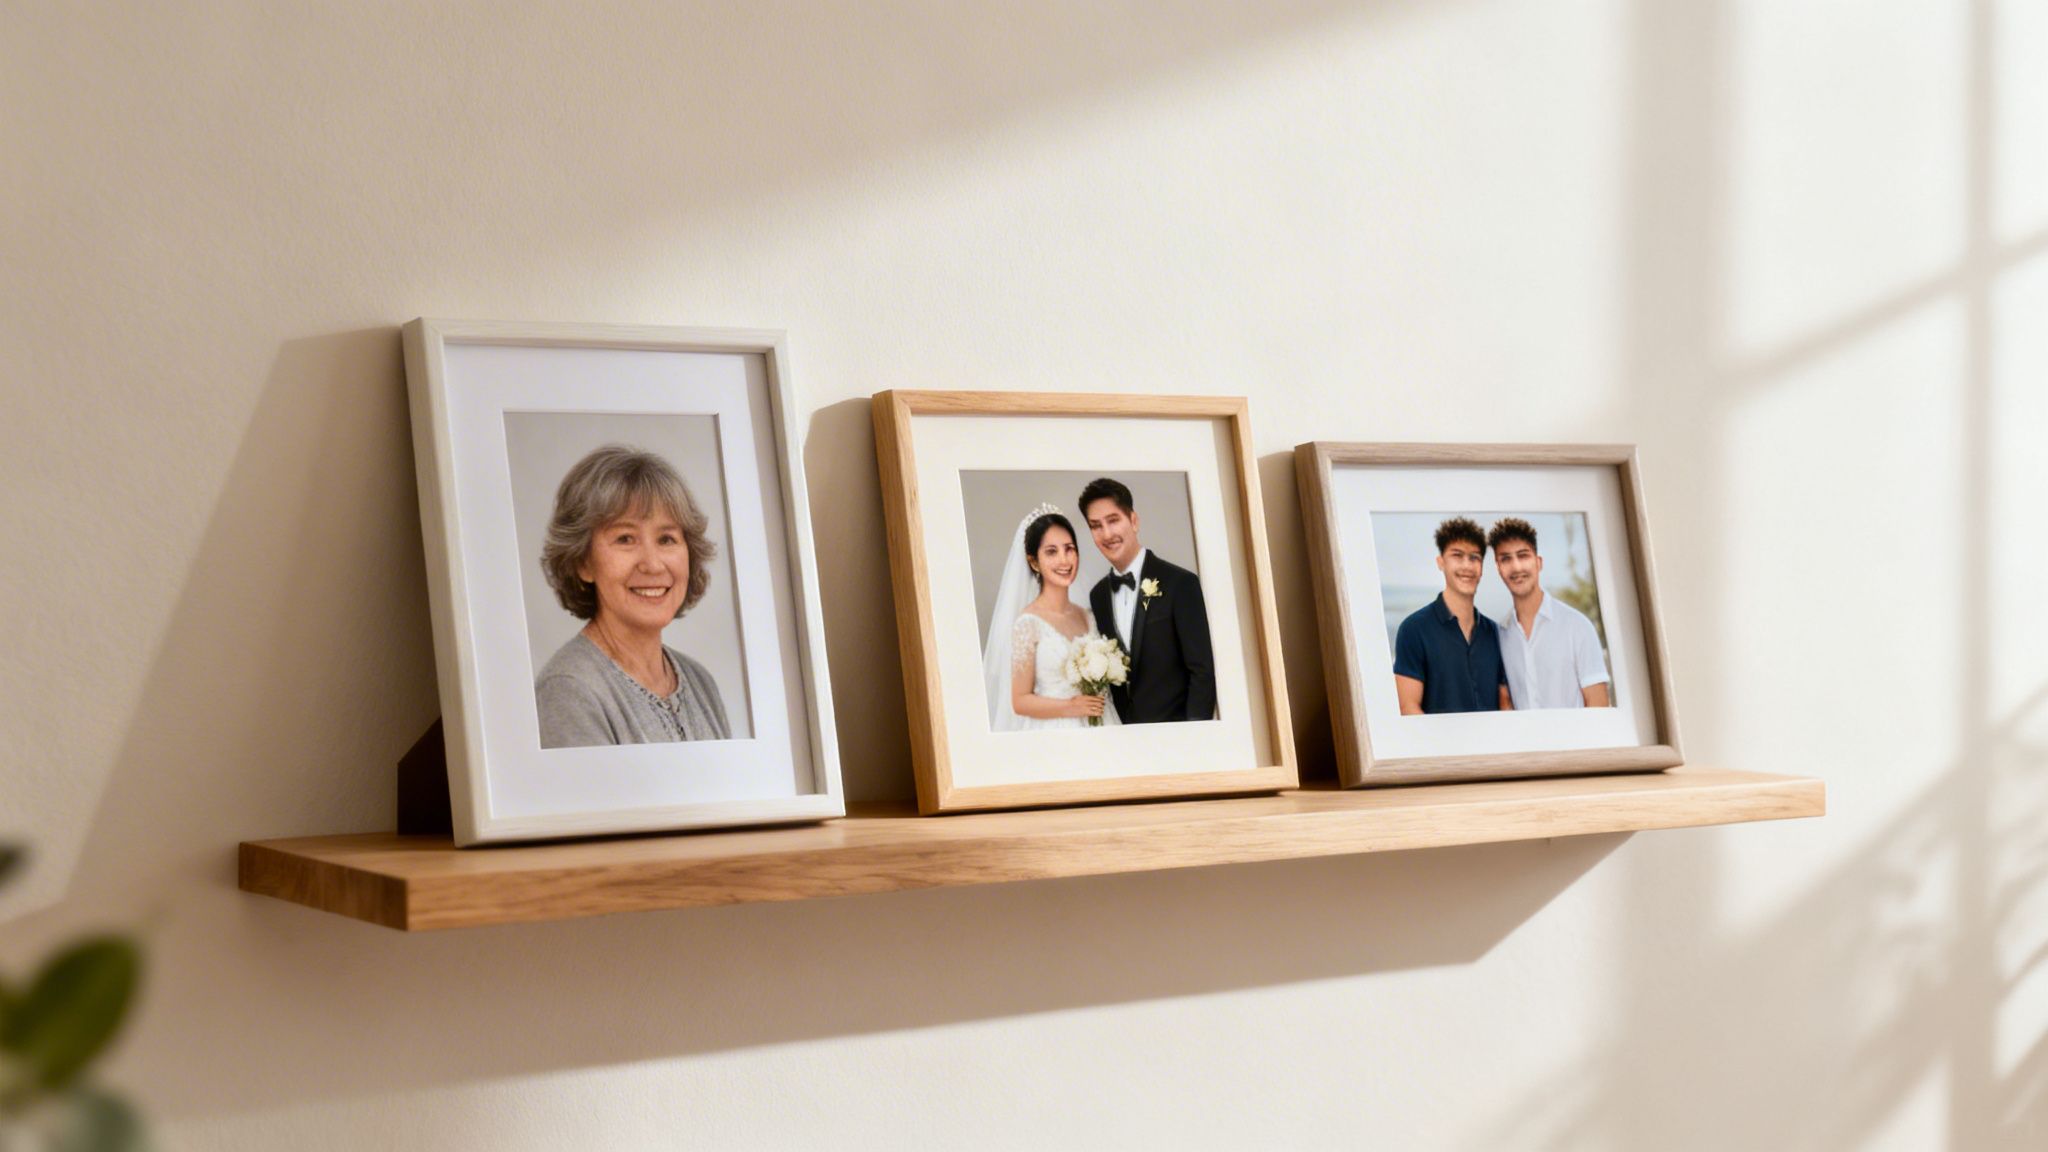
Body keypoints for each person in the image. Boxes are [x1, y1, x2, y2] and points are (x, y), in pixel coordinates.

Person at [533, 444, 731, 748]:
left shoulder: (700, 682)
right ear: (583, 562)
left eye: (667, 539)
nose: (652, 564)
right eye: (625, 539)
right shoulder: (569, 691)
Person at [1079, 477, 1216, 724]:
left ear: (1133, 520)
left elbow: (1202, 672)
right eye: (1096, 526)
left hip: (1178, 736)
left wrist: (1196, 738)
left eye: (1113, 520)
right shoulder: (1097, 596)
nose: (1106, 534)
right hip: (1127, 740)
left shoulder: (1180, 583)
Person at [980, 505, 1120, 730]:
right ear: (1034, 562)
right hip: (1057, 730)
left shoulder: (1087, 616)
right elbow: (1020, 701)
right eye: (1051, 552)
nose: (1064, 561)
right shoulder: (1028, 624)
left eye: (1069, 549)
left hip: (1104, 724)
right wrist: (1072, 706)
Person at [1487, 517, 1611, 709]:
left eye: (1523, 556)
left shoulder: (1577, 627)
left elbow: (1599, 706)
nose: (1516, 567)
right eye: (1506, 559)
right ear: (1498, 569)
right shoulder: (1500, 636)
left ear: (1538, 562)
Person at [1392, 516, 1510, 715]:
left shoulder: (1496, 634)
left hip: (1495, 745)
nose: (1467, 565)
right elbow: (1408, 707)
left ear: (1481, 567)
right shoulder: (1414, 629)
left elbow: (1506, 704)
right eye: (1457, 555)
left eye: (1474, 557)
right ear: (1441, 562)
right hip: (1438, 745)